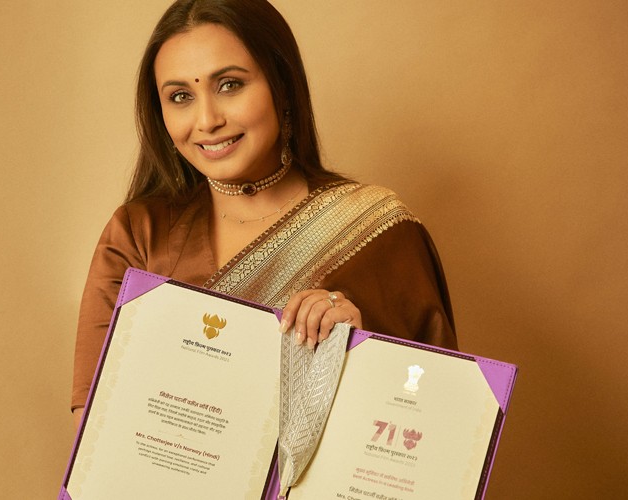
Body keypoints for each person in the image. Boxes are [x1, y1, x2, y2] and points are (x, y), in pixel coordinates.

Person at [71, 0, 457, 427]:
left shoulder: (379, 230)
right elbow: (94, 430)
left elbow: (436, 423)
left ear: (283, 87)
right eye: (180, 96)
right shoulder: (139, 234)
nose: (207, 120)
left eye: (230, 85)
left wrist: (358, 350)